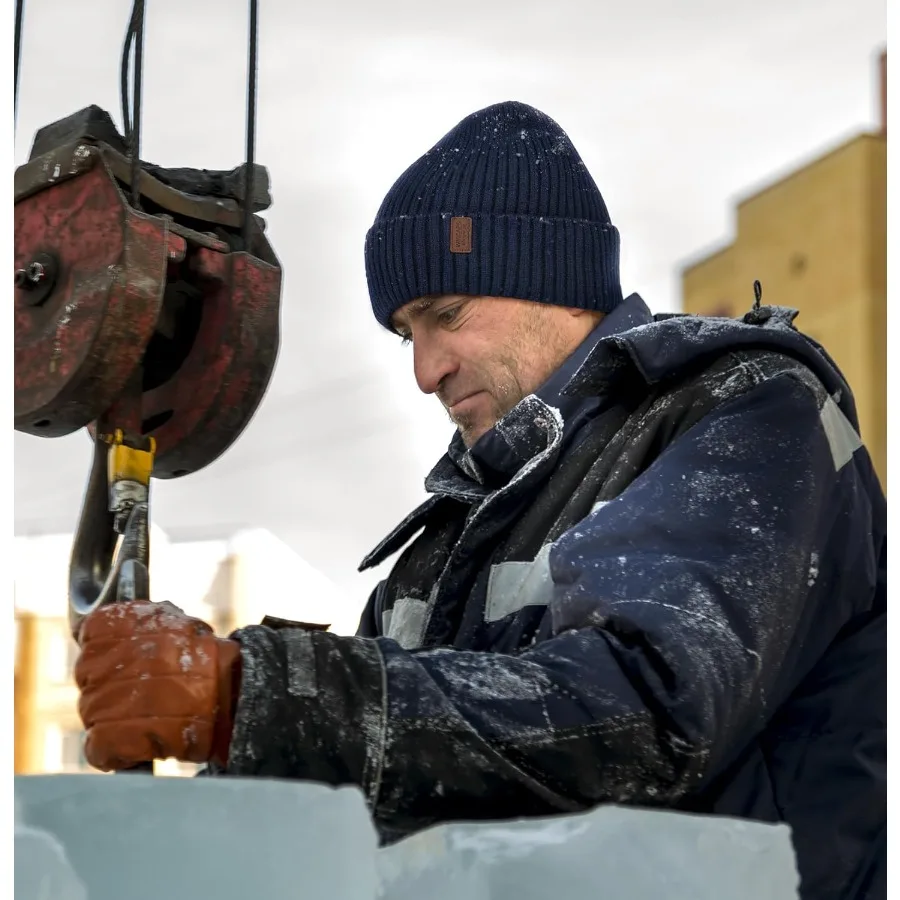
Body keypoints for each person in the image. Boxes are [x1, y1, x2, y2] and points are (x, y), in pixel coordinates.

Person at [75, 102, 886, 900]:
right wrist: (201, 774)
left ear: (554, 281)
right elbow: (373, 796)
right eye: (406, 334)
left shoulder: (745, 412)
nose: (425, 371)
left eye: (446, 316)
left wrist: (251, 693)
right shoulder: (446, 541)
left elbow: (648, 711)